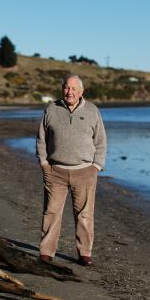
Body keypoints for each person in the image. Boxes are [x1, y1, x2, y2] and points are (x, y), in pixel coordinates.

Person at [36, 74, 107, 266]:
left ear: (81, 91)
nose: (70, 92)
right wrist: (44, 163)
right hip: (55, 171)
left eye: (74, 88)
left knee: (84, 215)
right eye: (67, 88)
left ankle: (84, 253)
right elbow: (41, 139)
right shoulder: (51, 109)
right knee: (51, 213)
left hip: (85, 172)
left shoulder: (92, 111)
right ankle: (46, 252)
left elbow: (101, 142)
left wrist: (96, 167)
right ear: (62, 89)